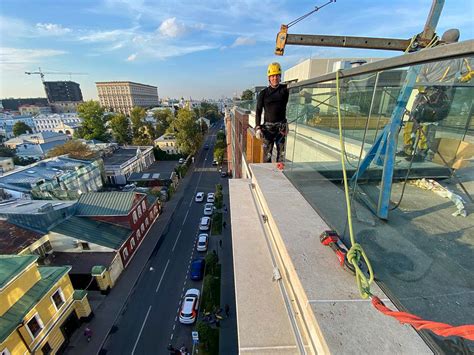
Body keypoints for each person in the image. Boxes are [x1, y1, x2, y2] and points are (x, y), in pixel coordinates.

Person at [400, 29, 473, 161]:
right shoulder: (460, 53)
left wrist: (423, 86)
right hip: (439, 93)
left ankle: (412, 151)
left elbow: (417, 72)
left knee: (416, 120)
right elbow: (470, 72)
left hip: (425, 92)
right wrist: (454, 82)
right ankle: (417, 151)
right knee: (426, 123)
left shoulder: (430, 52)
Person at [256, 62, 290, 163]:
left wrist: (302, 92)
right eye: (272, 76)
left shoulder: (285, 90)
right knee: (267, 156)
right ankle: (267, 177)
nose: (275, 78)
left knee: (281, 156)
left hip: (281, 128)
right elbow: (258, 110)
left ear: (280, 77)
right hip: (268, 129)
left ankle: (280, 176)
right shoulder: (263, 93)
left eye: (277, 76)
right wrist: (258, 127)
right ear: (269, 78)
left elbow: (296, 90)